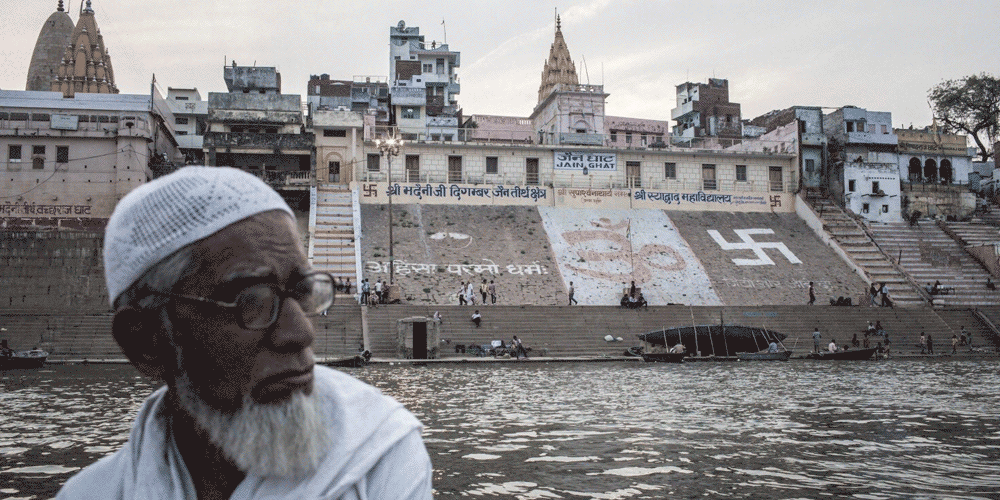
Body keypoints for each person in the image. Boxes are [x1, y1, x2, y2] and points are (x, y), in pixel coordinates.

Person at [56, 167, 432, 499]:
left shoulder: (380, 452)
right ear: (146, 342)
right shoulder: (90, 493)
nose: (300, 332)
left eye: (302, 292)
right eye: (250, 300)